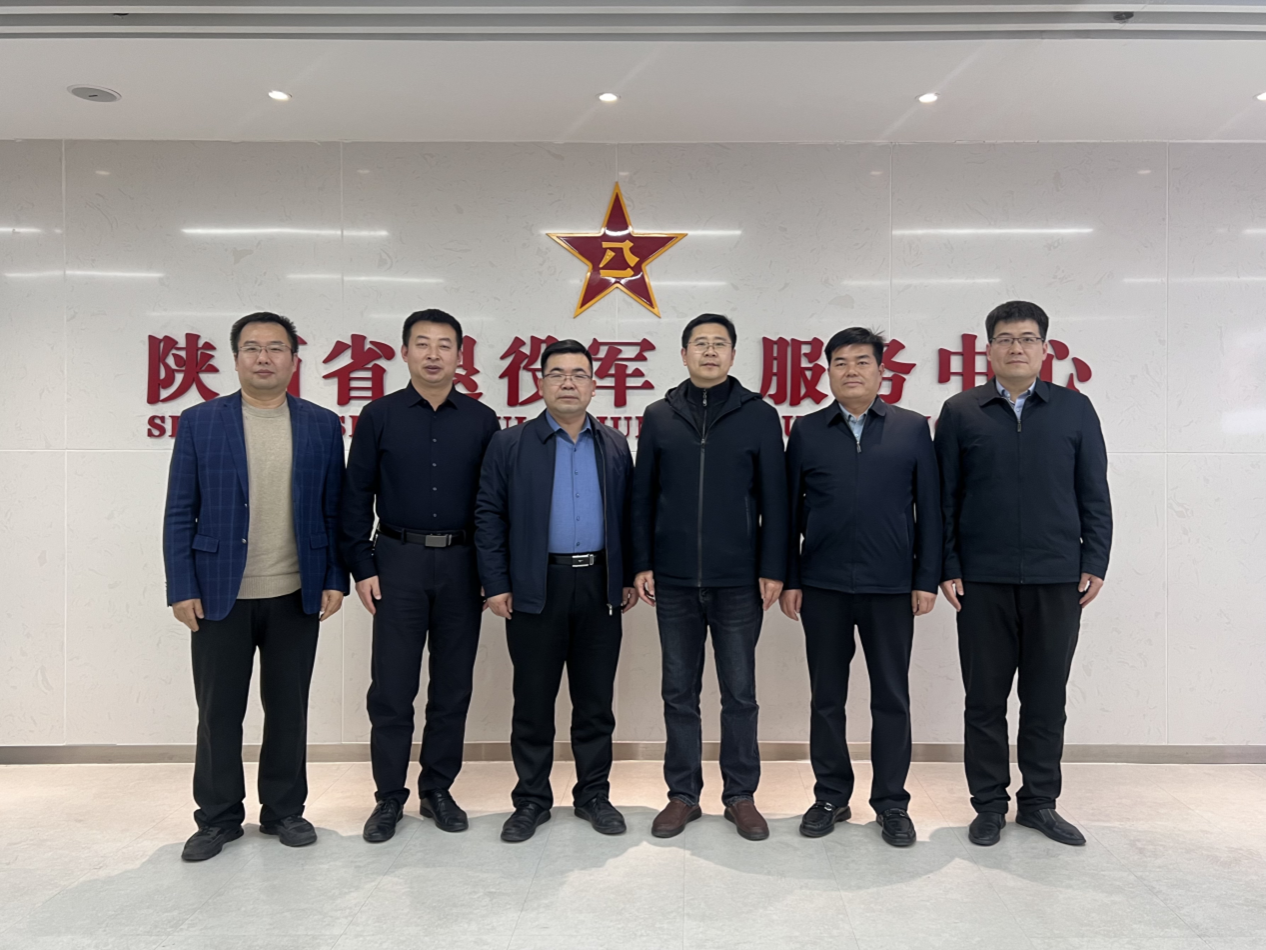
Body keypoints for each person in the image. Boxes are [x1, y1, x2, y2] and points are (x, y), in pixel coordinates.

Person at [163, 311, 347, 862]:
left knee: (288, 708)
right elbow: (180, 511)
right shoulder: (200, 422)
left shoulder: (321, 424)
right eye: (252, 348)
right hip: (219, 594)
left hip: (296, 591)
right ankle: (218, 818)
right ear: (236, 357)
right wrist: (181, 586)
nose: (263, 357)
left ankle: (284, 810)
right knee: (218, 712)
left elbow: (333, 509)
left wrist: (333, 577)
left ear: (294, 358)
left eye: (275, 348)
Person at [936, 300, 1112, 848]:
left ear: (1045, 348)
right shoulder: (961, 411)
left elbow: (1094, 491)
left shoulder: (1074, 410)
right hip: (981, 580)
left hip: (1056, 578)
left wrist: (1095, 560)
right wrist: (948, 564)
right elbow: (944, 499)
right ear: (988, 349)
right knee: (984, 700)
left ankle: (1039, 803)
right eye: (1006, 338)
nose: (1017, 347)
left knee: (1046, 698)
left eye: (1028, 338)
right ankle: (989, 804)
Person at [340, 309, 500, 843]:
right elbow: (355, 496)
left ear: (460, 355)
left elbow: (493, 503)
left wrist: (490, 570)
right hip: (396, 563)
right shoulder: (379, 415)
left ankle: (437, 789)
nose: (434, 354)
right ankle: (389, 796)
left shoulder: (482, 420)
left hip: (462, 565)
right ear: (404, 352)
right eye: (423, 344)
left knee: (452, 687)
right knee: (391, 688)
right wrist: (362, 566)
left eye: (444, 345)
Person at [781, 327, 941, 847]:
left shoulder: (912, 429)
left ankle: (892, 802)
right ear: (827, 372)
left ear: (881, 371)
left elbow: (930, 509)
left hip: (891, 586)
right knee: (826, 698)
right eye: (840, 363)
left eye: (862, 362)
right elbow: (788, 513)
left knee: (891, 698)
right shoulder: (808, 430)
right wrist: (791, 578)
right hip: (822, 586)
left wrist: (925, 578)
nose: (851, 371)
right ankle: (830, 795)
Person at [631, 313, 788, 841]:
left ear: (733, 355)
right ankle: (683, 795)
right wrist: (642, 562)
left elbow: (775, 500)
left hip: (739, 581)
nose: (710, 351)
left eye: (720, 343)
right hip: (673, 580)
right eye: (700, 343)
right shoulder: (659, 415)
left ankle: (740, 795)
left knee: (740, 693)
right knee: (679, 692)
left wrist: (772, 568)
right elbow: (642, 495)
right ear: (683, 354)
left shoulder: (759, 415)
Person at [475, 339, 637, 843]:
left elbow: (630, 516)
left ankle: (594, 795)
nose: (569, 382)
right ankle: (531, 800)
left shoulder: (614, 444)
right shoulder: (510, 444)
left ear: (594, 385)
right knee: (532, 701)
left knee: (595, 702)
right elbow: (488, 515)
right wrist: (496, 582)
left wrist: (627, 575)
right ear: (540, 383)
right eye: (558, 373)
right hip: (534, 585)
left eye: (579, 374)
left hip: (599, 586)